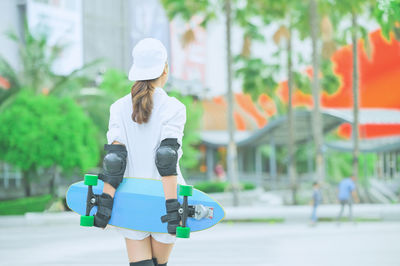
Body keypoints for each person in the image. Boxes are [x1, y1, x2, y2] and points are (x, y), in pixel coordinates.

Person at [93, 38, 187, 266]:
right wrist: (173, 207)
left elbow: (114, 161)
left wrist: (105, 203)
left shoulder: (118, 107)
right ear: (165, 68)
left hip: (130, 198)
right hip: (164, 198)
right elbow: (167, 158)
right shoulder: (175, 108)